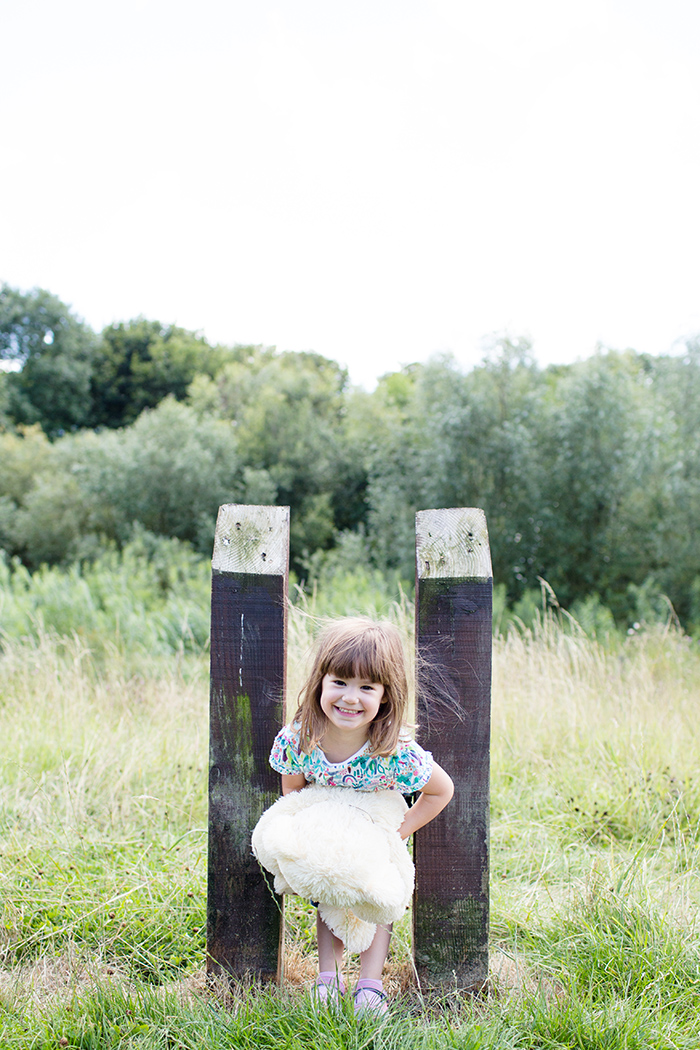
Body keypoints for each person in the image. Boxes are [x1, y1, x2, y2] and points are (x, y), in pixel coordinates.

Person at [269, 616, 454, 1016]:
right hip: (330, 836)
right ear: (321, 681)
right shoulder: (301, 738)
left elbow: (441, 790)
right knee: (332, 898)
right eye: (339, 682)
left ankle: (370, 984)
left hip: (374, 835)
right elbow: (293, 791)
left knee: (377, 900)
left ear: (385, 696)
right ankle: (328, 978)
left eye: (366, 687)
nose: (350, 698)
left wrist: (394, 836)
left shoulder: (393, 749)